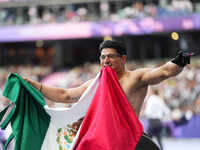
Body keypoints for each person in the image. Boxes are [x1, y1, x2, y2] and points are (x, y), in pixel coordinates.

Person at [23, 40, 190, 149]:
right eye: (102, 57)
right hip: (105, 143)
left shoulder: (135, 77)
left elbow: (164, 71)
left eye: (111, 56)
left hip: (131, 141)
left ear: (123, 59)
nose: (106, 61)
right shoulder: (96, 83)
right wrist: (33, 85)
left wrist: (180, 61)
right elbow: (65, 95)